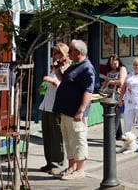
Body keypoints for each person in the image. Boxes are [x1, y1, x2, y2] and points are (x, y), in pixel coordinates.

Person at [52, 39, 95, 181]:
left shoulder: (87, 67)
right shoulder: (76, 65)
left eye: (70, 50)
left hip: (75, 112)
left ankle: (80, 169)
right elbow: (64, 80)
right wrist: (57, 69)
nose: (68, 53)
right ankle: (71, 167)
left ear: (79, 52)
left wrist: (81, 110)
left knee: (78, 139)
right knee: (69, 139)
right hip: (67, 110)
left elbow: (88, 91)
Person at [38, 43, 70, 176]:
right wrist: (43, 87)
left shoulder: (67, 68)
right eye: (53, 53)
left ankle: (59, 163)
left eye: (57, 53)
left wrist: (52, 81)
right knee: (47, 136)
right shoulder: (55, 68)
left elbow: (65, 87)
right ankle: (50, 162)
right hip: (47, 104)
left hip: (57, 107)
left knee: (57, 137)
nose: (54, 56)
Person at [99, 54, 127, 140]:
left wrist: (112, 82)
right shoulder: (110, 70)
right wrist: (101, 89)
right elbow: (106, 80)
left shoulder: (122, 69)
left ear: (118, 62)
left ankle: (111, 135)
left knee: (116, 114)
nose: (113, 66)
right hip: (110, 94)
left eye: (115, 64)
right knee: (114, 113)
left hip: (119, 94)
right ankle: (119, 134)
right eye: (111, 64)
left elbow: (121, 82)